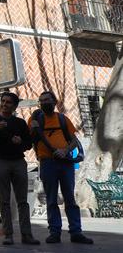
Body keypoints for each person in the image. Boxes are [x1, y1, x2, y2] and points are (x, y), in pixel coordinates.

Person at [30, 91, 93, 244]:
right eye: (41, 100)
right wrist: (33, 127)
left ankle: (76, 232)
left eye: (47, 100)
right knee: (51, 199)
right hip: (47, 163)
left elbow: (74, 141)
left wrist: (64, 151)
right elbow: (31, 140)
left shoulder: (62, 119)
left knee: (70, 198)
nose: (44, 103)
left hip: (65, 163)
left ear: (54, 101)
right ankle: (55, 232)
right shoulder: (35, 119)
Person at [0, 91, 39, 245]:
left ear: (14, 106)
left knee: (23, 200)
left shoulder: (20, 123)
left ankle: (27, 234)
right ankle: (8, 234)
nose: (4, 104)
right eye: (3, 101)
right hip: (0, 161)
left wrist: (20, 141)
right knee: (4, 199)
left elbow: (28, 144)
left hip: (18, 162)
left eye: (8, 102)